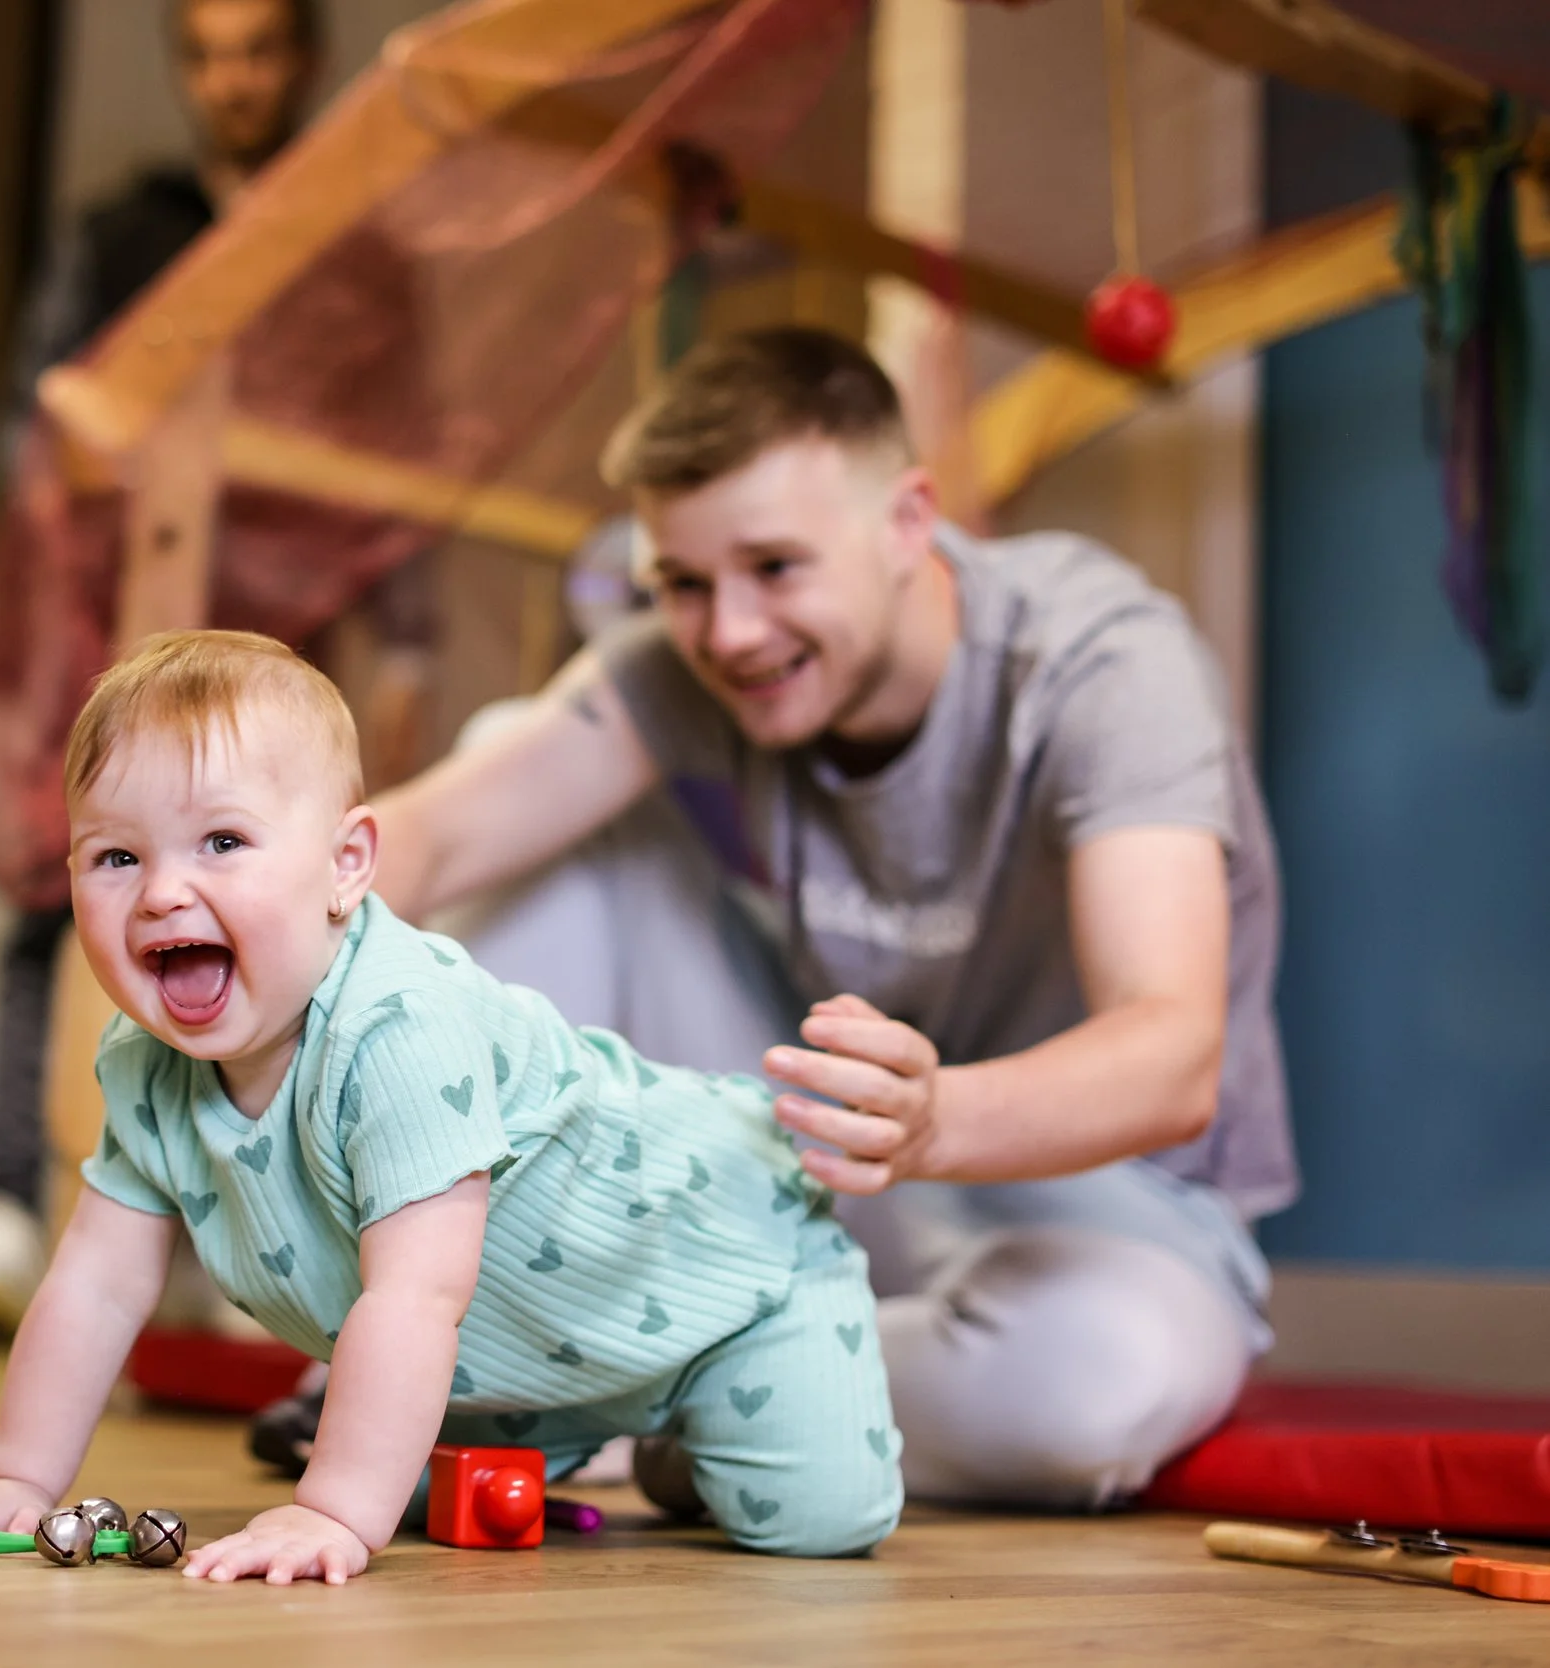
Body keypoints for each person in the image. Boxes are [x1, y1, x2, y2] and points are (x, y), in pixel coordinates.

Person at [255, 326, 1292, 1511]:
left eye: (777, 569)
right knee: (515, 777)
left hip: (1090, 1191)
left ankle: (658, 1389)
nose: (732, 633)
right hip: (806, 1150)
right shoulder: (684, 671)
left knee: (1082, 1391)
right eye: (684, 585)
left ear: (908, 522)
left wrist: (934, 1117)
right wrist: (226, 917)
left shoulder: (1103, 665)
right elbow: (432, 835)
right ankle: (516, 1336)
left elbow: (1174, 1055)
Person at [0, 631, 902, 1578]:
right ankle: (654, 1436)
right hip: (529, 1359)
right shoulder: (142, 1063)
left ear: (345, 867)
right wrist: (16, 1482)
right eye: (116, 856)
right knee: (409, 1458)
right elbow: (92, 1288)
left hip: (723, 1258)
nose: (164, 891)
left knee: (815, 1519)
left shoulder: (399, 1025)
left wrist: (335, 1517)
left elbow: (412, 1299)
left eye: (221, 842)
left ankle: (707, 1406)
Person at [0, 0, 438, 1329]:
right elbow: (45, 431)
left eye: (256, 50)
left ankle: (244, 1243)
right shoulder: (121, 238)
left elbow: (399, 477)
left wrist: (401, 652)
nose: (232, 79)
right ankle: (7, 1204)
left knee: (264, 923)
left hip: (278, 643)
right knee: (71, 884)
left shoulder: (355, 260)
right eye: (206, 55)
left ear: (305, 61)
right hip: (112, 620)